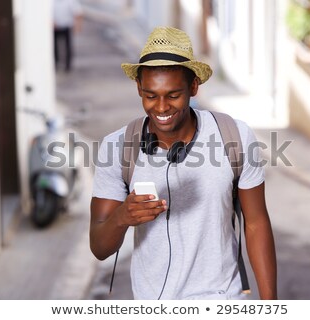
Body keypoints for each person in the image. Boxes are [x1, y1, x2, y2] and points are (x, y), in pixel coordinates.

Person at [90, 26, 277, 300]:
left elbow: (257, 223)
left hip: (223, 299)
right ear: (139, 88)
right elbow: (99, 248)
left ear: (193, 87)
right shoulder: (117, 147)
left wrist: (270, 305)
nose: (162, 107)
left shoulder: (234, 136)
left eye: (173, 95)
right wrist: (122, 217)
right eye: (151, 95)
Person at [53, 0, 83, 72]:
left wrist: (78, 26)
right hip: (55, 27)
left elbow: (78, 13)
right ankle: (55, 64)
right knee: (54, 47)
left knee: (67, 46)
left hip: (66, 26)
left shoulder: (70, 1)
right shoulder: (51, 2)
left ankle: (68, 66)